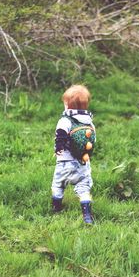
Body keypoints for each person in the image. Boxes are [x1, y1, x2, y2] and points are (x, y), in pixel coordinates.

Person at [51, 84, 96, 224]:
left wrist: (58, 148)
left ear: (67, 105)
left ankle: (56, 209)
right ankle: (87, 216)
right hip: (82, 162)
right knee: (83, 188)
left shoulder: (65, 120)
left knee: (58, 185)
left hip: (64, 162)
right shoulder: (89, 123)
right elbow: (92, 141)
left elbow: (61, 134)